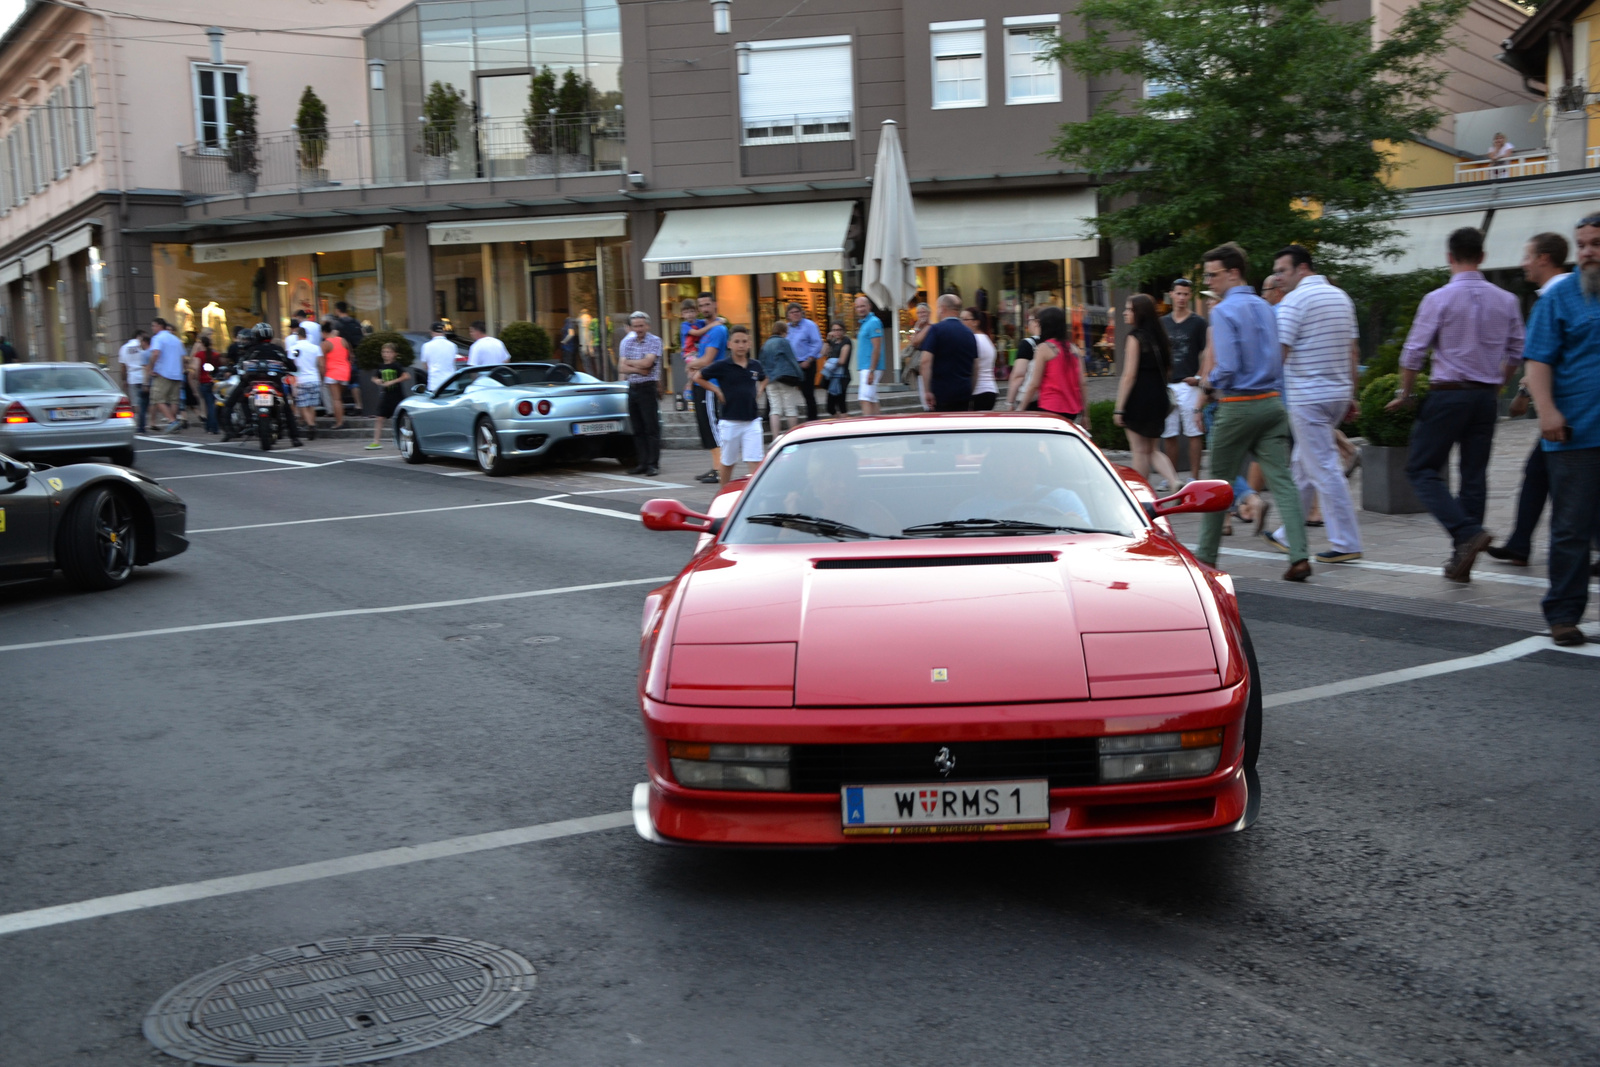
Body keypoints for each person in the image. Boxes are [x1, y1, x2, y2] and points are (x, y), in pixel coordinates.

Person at [1390, 226, 1524, 583]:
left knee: (1421, 469)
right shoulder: (1507, 300)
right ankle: (1462, 557)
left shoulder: (1438, 298)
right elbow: (1517, 351)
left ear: (1449, 257)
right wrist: (1501, 383)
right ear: (1482, 257)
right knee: (1474, 476)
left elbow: (1413, 353)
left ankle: (1465, 533)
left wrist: (1406, 393)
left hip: (1448, 392)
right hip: (1484, 396)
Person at [1194, 241, 1310, 582]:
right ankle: (1300, 555)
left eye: (1213, 275)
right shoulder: (1266, 306)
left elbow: (1226, 366)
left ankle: (1205, 559)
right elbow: (1277, 358)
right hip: (1272, 402)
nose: (1210, 282)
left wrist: (1206, 381)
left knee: (1218, 486)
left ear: (1233, 272)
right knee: (1283, 483)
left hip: (1237, 405)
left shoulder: (1222, 311)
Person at [1519, 213, 1600, 646]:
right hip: (1576, 433)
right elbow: (1538, 360)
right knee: (1571, 528)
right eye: (1582, 244)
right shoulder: (1561, 296)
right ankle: (1564, 614)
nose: (1587, 252)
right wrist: (1547, 411)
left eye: (1596, 244)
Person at [1266, 245, 1363, 564]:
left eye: (1282, 270)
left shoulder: (1294, 301)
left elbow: (1279, 353)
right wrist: (1351, 394)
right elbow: (1353, 352)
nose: (1278, 278)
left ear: (1301, 268)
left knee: (1323, 468)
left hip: (1309, 397)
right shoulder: (1341, 297)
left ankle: (1346, 541)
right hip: (1336, 394)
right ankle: (1286, 533)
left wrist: (1262, 389)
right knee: (1303, 464)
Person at [1488, 232, 1572, 566]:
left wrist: (1530, 398)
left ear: (1544, 258)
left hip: (1569, 410)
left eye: (1527, 256)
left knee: (1575, 480)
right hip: (1565, 409)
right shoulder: (1561, 294)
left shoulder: (1558, 297)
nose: (1522, 263)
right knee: (1539, 474)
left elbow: (1546, 358)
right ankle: (1520, 543)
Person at [1113, 294, 1181, 490]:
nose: (1125, 313)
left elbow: (1129, 375)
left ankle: (1141, 494)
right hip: (1158, 396)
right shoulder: (1160, 337)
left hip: (1139, 397)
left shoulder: (1135, 337)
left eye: (1129, 309)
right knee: (1152, 449)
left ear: (1139, 313)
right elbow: (1168, 370)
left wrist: (1119, 408)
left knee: (1139, 451)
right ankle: (1174, 480)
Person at [694, 324, 767, 485]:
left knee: (755, 461)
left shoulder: (755, 365)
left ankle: (754, 498)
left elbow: (764, 378)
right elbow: (698, 377)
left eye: (744, 341)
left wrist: (760, 390)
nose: (741, 345)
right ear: (730, 344)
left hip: (752, 421)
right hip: (730, 421)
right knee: (727, 463)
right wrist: (717, 390)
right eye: (737, 341)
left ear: (749, 344)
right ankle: (722, 495)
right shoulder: (722, 366)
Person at [219, 322, 302, 447]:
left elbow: (241, 365)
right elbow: (291, 366)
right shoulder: (277, 349)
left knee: (231, 401)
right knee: (286, 409)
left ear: (255, 336)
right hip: (274, 383)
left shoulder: (252, 350)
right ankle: (295, 438)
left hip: (252, 382)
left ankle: (230, 431)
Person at [1160, 280, 1208, 478]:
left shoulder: (1198, 323)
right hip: (1168, 384)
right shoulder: (1163, 323)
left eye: (1186, 294)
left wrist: (1199, 377)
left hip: (1189, 384)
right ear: (1171, 294)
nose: (1182, 298)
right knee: (1169, 434)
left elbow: (1207, 353)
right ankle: (1171, 478)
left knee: (1193, 432)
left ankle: (1194, 477)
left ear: (1190, 296)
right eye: (1178, 293)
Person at [689, 291, 729, 483]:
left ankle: (721, 469)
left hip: (711, 384)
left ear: (715, 304)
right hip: (700, 382)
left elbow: (708, 359)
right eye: (701, 306)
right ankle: (715, 467)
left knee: (713, 427)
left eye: (707, 305)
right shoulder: (706, 329)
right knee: (706, 427)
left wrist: (690, 364)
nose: (704, 309)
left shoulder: (718, 330)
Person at [617, 311, 662, 476]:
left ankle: (653, 464)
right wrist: (639, 368)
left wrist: (631, 364)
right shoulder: (627, 342)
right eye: (635, 326)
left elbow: (648, 363)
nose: (638, 329)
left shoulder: (655, 341)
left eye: (641, 326)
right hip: (633, 388)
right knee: (637, 429)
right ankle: (641, 462)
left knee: (651, 428)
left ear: (647, 325)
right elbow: (621, 367)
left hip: (647, 388)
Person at [1022, 306, 1086, 422]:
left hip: (1050, 407)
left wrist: (1021, 408)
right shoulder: (1074, 349)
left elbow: (1034, 384)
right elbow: (1083, 383)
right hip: (1072, 409)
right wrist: (1086, 415)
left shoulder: (1044, 348)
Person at [918, 293, 977, 412]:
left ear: (943, 308)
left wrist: (927, 391)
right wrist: (971, 389)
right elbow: (976, 366)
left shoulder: (936, 330)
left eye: (938, 308)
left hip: (940, 392)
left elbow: (925, 361)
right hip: (963, 392)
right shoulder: (969, 333)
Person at [758, 320, 804, 438]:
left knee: (774, 409)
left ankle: (775, 437)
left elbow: (761, 363)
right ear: (783, 332)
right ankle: (793, 437)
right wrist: (800, 376)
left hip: (771, 380)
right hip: (785, 378)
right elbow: (792, 359)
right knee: (790, 409)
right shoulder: (783, 342)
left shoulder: (765, 344)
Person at [147, 318, 187, 434]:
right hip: (177, 373)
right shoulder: (176, 340)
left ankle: (172, 421)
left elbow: (155, 353)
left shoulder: (158, 338)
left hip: (163, 373)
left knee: (158, 399)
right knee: (174, 400)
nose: (152, 328)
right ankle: (173, 423)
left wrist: (151, 367)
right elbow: (183, 357)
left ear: (160, 326)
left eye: (154, 326)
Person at [784, 302, 823, 420]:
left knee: (808, 393)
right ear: (788, 315)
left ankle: (812, 420)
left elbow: (817, 343)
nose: (795, 314)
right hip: (792, 365)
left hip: (807, 363)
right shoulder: (787, 327)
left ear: (802, 313)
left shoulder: (810, 325)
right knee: (781, 389)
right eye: (792, 312)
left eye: (797, 312)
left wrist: (809, 359)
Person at [368, 341, 410, 450]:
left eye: (388, 352)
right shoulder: (381, 366)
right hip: (386, 396)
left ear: (394, 354)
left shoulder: (396, 365)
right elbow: (374, 377)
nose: (386, 354)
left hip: (397, 396)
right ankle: (376, 441)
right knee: (379, 417)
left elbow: (406, 376)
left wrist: (393, 381)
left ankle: (401, 439)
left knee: (400, 419)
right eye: (384, 352)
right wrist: (377, 381)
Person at [288, 325, 324, 439]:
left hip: (301, 379)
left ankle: (311, 425)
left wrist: (293, 383)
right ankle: (311, 427)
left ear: (298, 336)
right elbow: (321, 364)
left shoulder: (294, 348)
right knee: (311, 406)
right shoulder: (315, 348)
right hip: (314, 378)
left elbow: (292, 366)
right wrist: (321, 377)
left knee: (303, 406)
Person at [961, 306, 1000, 411]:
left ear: (975, 322)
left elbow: (974, 366)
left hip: (979, 390)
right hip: (990, 389)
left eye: (965, 319)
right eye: (961, 319)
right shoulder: (986, 338)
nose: (961, 322)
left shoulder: (974, 339)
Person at [854, 295, 886, 416]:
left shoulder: (873, 322)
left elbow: (877, 347)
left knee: (865, 398)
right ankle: (878, 428)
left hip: (870, 367)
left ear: (869, 306)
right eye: (858, 307)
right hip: (866, 367)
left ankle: (867, 428)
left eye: (863, 306)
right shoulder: (865, 323)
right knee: (872, 399)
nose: (860, 309)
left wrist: (871, 370)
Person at [1003, 313, 1042, 412]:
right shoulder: (1055, 344)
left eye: (1029, 321)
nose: (1028, 325)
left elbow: (1019, 375)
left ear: (1036, 323)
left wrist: (1010, 402)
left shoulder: (1028, 344)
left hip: (1030, 399)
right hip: (1049, 398)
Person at [321, 324, 355, 428]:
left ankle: (339, 422)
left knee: (336, 399)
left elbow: (322, 363)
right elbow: (351, 356)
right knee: (339, 398)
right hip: (345, 371)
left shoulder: (325, 344)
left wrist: (323, 375)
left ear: (324, 332)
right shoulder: (343, 340)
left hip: (332, 373)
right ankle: (340, 419)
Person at [187, 329, 220, 435]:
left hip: (203, 381)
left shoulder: (199, 355)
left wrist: (196, 378)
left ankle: (210, 427)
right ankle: (214, 427)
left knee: (206, 404)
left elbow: (196, 368)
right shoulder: (215, 354)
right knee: (212, 404)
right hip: (213, 381)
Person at [118, 330, 151, 432]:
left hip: (132, 377)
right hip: (144, 375)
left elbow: (123, 366)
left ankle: (139, 423)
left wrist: (124, 379)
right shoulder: (143, 346)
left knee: (136, 403)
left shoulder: (124, 348)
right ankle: (145, 422)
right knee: (145, 402)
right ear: (139, 336)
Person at [822, 320, 852, 417]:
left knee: (841, 404)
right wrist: (827, 341)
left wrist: (828, 364)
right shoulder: (833, 342)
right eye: (834, 330)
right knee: (830, 407)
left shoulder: (846, 342)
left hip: (841, 377)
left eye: (839, 330)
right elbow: (823, 353)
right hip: (832, 376)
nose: (837, 332)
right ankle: (840, 423)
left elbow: (842, 360)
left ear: (843, 331)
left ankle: (845, 427)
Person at [420, 321, 458, 393]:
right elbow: (453, 362)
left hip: (435, 384)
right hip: (451, 383)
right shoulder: (452, 345)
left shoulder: (426, 346)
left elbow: (425, 366)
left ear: (431, 332)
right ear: (443, 332)